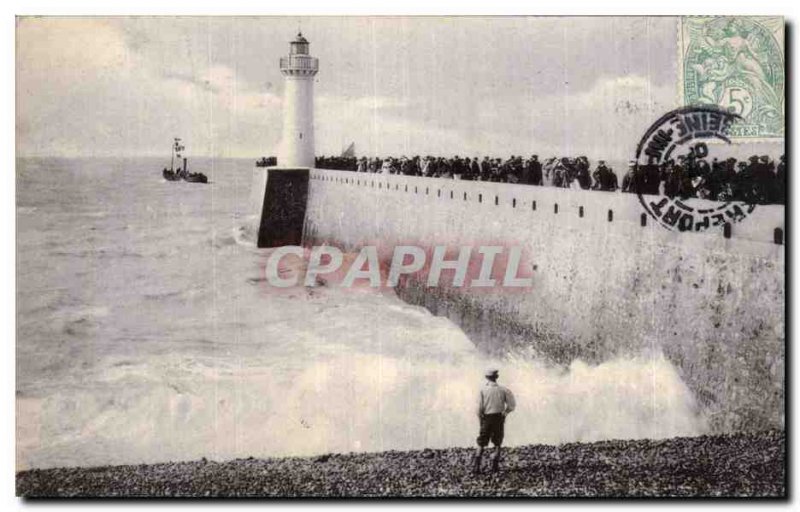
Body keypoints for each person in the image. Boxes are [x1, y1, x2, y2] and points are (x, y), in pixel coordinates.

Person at [473, 368, 516, 475]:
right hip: (498, 417)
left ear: (487, 378)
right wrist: (505, 413)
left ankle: (477, 467)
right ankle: (495, 467)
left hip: (487, 418)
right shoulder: (503, 389)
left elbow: (478, 409)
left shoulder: (482, 390)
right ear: (496, 377)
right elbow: (512, 405)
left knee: (481, 442)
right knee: (497, 442)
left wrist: (480, 421)